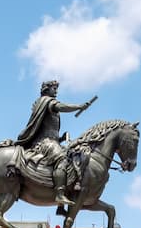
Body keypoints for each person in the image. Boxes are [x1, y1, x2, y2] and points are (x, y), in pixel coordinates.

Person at [15, 79, 95, 207]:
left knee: (71, 157)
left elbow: (47, 129)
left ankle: (61, 206)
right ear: (47, 89)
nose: (56, 91)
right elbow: (61, 106)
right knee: (62, 158)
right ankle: (59, 194)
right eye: (54, 88)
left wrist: (61, 138)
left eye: (56, 89)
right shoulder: (47, 101)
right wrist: (79, 106)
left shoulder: (46, 104)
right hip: (44, 143)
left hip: (52, 141)